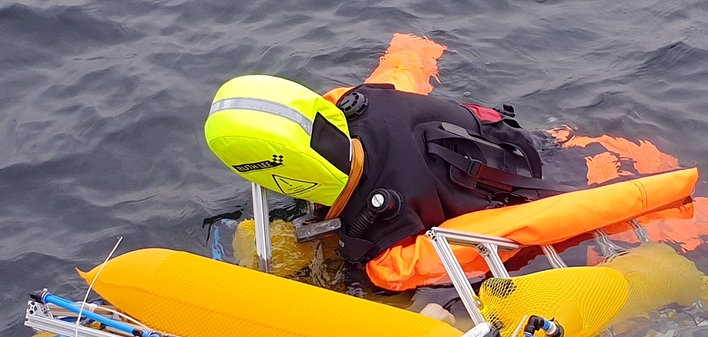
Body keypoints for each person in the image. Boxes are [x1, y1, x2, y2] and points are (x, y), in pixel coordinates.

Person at [204, 74, 568, 265]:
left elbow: (513, 234)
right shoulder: (360, 101)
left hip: (551, 186)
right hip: (518, 136)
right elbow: (404, 70)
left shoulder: (387, 249)